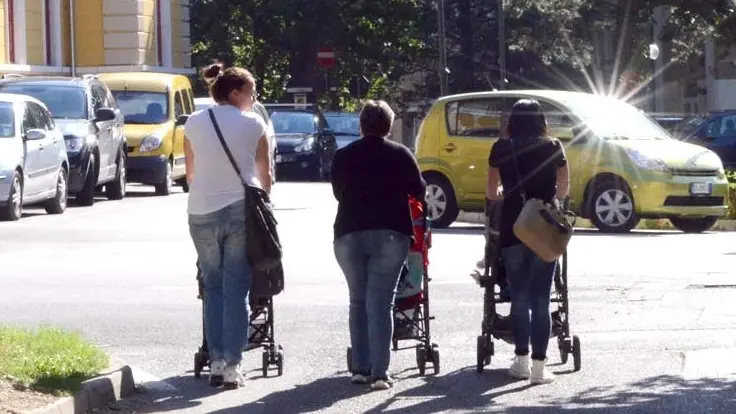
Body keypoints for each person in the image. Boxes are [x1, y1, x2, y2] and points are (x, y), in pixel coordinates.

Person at [183, 63, 273, 389]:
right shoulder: (254, 124)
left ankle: (216, 361)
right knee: (237, 288)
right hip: (238, 210)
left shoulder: (193, 122)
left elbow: (190, 173)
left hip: (201, 211)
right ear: (235, 93)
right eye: (252, 92)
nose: (254, 98)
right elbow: (266, 176)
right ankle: (233, 365)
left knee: (213, 285)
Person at [331, 100, 426, 390]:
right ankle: (380, 372)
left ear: (361, 125)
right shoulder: (400, 154)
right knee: (381, 302)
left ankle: (360, 367)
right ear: (388, 126)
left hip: (349, 231)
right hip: (391, 232)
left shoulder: (343, 155)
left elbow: (338, 192)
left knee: (357, 300)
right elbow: (419, 191)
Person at [486, 99, 570, 385]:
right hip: (544, 225)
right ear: (540, 120)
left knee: (519, 296)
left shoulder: (500, 148)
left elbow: (491, 192)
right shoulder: (553, 146)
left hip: (513, 226)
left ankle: (520, 361)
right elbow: (564, 187)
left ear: (513, 120)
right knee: (541, 298)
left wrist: (508, 190)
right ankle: (538, 367)